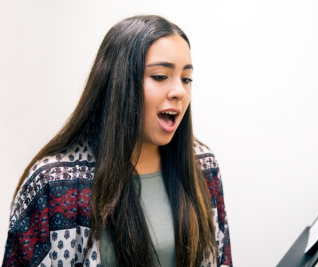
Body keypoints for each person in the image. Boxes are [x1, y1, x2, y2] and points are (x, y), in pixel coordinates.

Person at [1, 15, 232, 267]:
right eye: (160, 76)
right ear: (119, 82)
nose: (179, 91)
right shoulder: (52, 183)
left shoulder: (204, 167)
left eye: (186, 79)